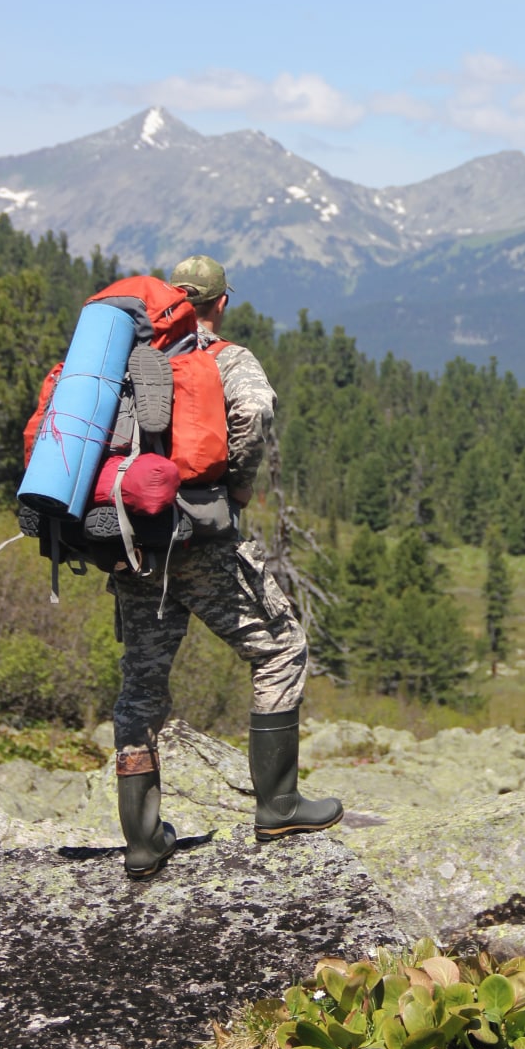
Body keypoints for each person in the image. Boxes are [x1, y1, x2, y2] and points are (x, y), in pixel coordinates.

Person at [112, 254, 342, 879]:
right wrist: (233, 488)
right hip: (200, 544)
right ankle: (278, 804)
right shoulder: (224, 358)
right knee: (280, 648)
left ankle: (141, 840)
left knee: (141, 683)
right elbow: (256, 413)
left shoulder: (123, 357)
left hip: (131, 542)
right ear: (219, 303)